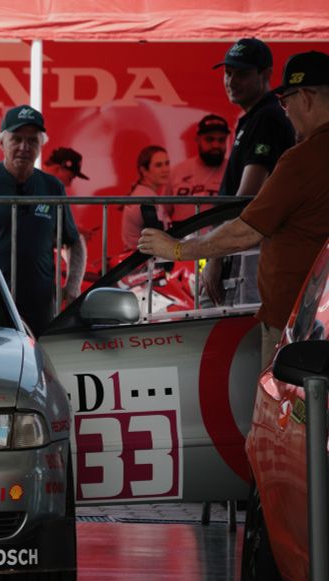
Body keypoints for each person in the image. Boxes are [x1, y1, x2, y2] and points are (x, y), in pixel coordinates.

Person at [138, 51, 329, 368]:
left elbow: (247, 230)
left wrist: (177, 249)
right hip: (314, 315)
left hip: (298, 320)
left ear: (306, 97)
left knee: (284, 412)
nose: (286, 111)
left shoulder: (304, 158)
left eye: (287, 101)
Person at [0, 105, 86, 336]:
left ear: (41, 145)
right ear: (1, 142)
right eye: (16, 139)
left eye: (32, 141)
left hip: (40, 308)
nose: (24, 148)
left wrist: (73, 287)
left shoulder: (52, 187)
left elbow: (73, 242)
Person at [205, 38, 295, 305]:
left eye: (242, 73)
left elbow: (246, 197)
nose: (231, 81)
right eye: (228, 73)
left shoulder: (266, 117)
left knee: (245, 338)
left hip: (251, 254)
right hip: (246, 249)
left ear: (266, 74)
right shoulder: (257, 116)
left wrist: (214, 255)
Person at [170, 115, 231, 221]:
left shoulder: (233, 170)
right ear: (198, 139)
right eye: (209, 139)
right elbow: (164, 211)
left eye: (221, 140)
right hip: (179, 236)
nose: (216, 145)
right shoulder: (178, 170)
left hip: (219, 236)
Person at [121, 145, 173, 252]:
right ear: (144, 170)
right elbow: (157, 240)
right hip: (142, 264)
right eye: (158, 165)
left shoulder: (145, 194)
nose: (166, 169)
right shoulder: (145, 199)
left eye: (167, 163)